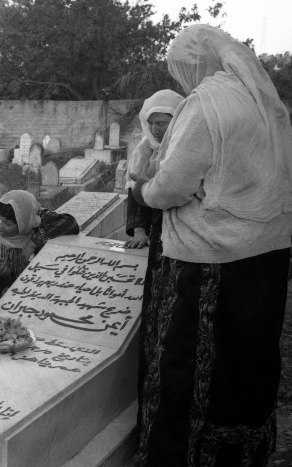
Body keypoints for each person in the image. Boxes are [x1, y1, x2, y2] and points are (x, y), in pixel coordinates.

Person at [130, 24, 292, 467]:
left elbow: (173, 186)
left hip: (208, 261)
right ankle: (240, 453)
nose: (184, 78)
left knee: (191, 363)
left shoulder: (206, 104)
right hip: (266, 257)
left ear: (195, 62)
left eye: (183, 67)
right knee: (246, 363)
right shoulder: (264, 104)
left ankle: (185, 456)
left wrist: (141, 192)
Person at [0, 190, 79, 294]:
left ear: (23, 225)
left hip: (29, 290)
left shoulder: (30, 217)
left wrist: (33, 243)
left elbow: (70, 223)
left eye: (7, 223)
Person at [123, 90, 183, 249]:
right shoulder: (143, 149)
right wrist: (139, 231)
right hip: (152, 229)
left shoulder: (186, 149)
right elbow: (134, 190)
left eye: (161, 124)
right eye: (150, 123)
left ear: (178, 121)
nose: (154, 129)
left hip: (182, 230)